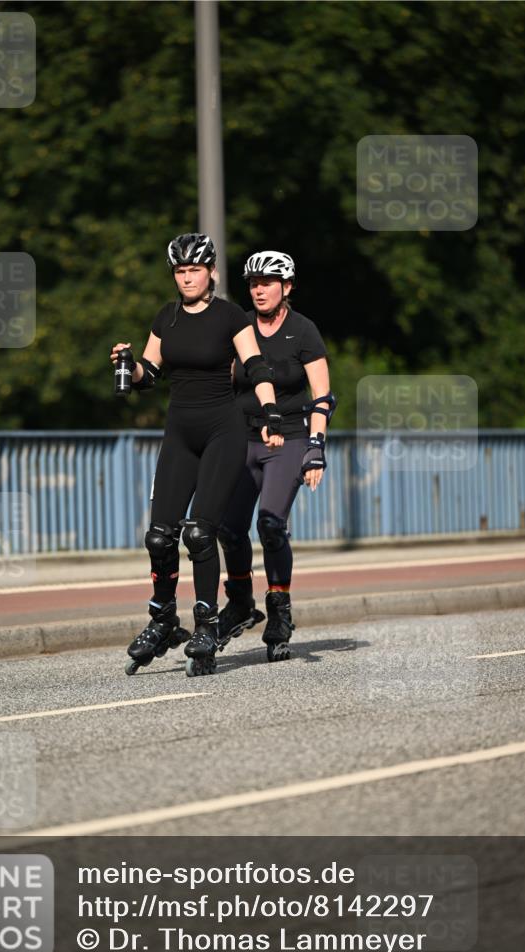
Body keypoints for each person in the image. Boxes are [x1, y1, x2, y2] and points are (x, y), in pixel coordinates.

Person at [110, 233, 284, 676]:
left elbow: (256, 365)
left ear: (211, 273)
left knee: (200, 533)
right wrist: (129, 364)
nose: (187, 278)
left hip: (223, 431)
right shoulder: (166, 317)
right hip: (180, 433)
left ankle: (206, 625)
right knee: (159, 536)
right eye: (180, 271)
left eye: (195, 270)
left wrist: (270, 412)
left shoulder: (229, 316)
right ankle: (163, 619)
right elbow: (151, 373)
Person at [217, 250, 335, 661]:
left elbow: (322, 396)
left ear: (286, 287)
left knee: (269, 524)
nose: (258, 290)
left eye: (267, 283)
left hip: (288, 439)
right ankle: (239, 604)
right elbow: (221, 385)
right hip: (241, 439)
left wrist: (315, 447)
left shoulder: (303, 331)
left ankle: (279, 613)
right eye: (253, 283)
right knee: (228, 528)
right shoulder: (240, 327)